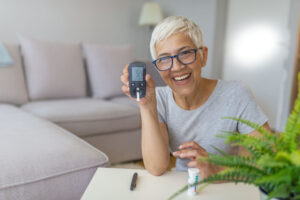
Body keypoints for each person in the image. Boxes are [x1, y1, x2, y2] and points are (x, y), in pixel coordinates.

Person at [120, 16, 270, 178]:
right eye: (164, 59)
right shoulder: (159, 98)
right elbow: (157, 167)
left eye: (185, 53)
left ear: (203, 56)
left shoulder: (236, 94)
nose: (176, 67)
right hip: (184, 185)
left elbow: (266, 160)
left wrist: (217, 171)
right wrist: (146, 104)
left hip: (229, 184)